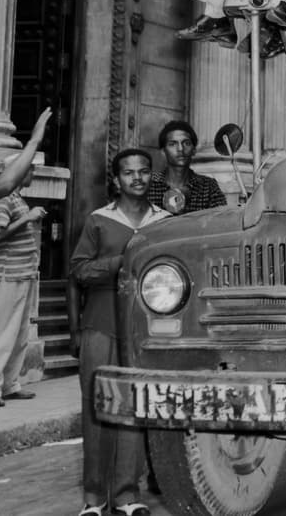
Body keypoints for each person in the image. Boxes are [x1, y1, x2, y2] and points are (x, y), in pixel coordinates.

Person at [70, 147, 171, 516]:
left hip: (148, 328)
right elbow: (80, 271)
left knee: (136, 407)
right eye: (129, 173)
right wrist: (125, 258)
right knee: (97, 408)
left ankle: (128, 497)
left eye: (144, 171)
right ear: (117, 180)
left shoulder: (166, 221)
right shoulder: (98, 220)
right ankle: (93, 500)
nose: (138, 178)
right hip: (101, 323)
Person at [0, 108, 53, 408]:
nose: (32, 172)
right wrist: (27, 219)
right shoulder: (1, 199)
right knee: (1, 333)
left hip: (21, 274)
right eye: (29, 169)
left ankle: (10, 384)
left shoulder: (16, 199)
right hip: (7, 274)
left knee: (19, 334)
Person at [146, 120, 226, 215]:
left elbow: (221, 220)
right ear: (163, 152)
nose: (180, 149)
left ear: (194, 150)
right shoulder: (148, 184)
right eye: (173, 144)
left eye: (186, 143)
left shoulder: (208, 187)